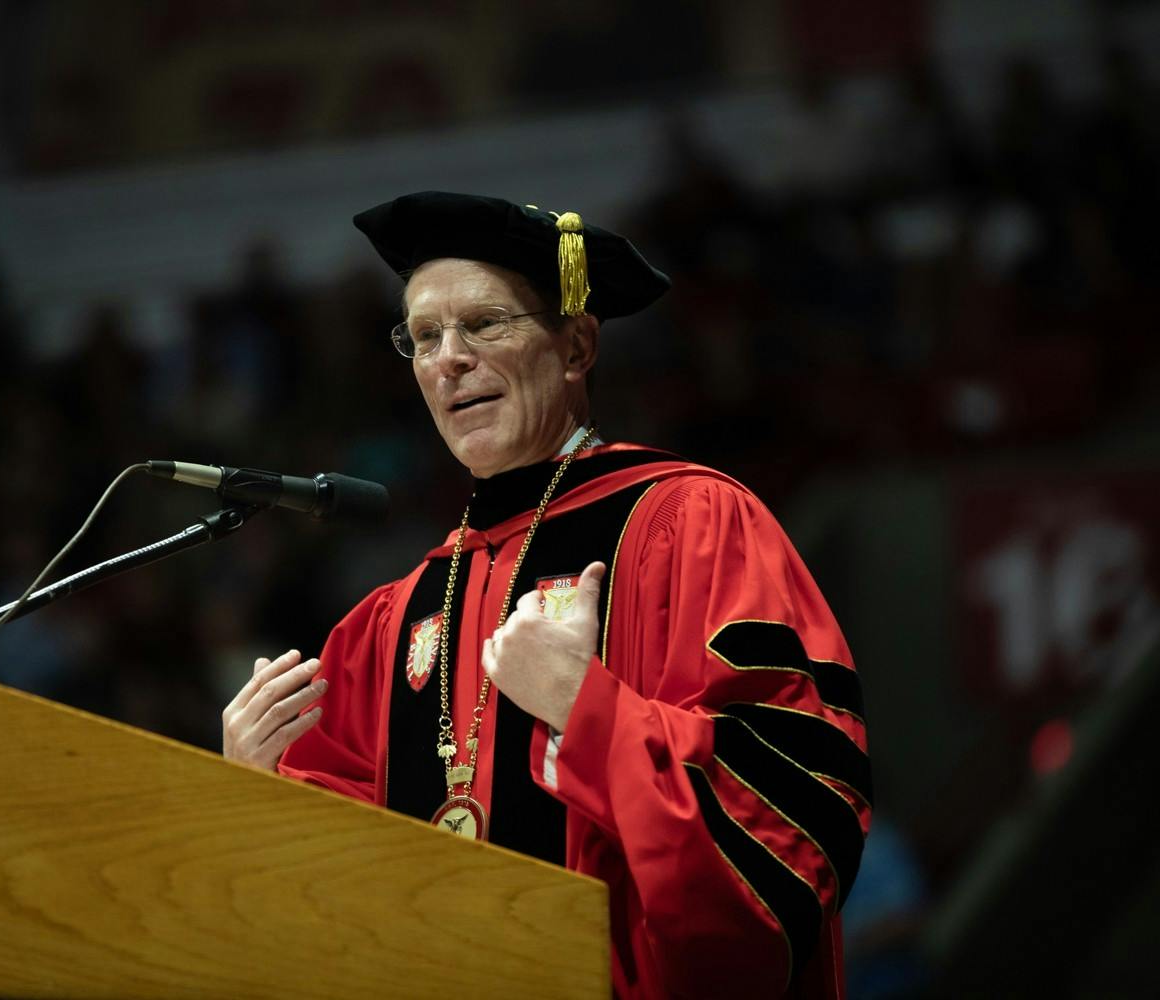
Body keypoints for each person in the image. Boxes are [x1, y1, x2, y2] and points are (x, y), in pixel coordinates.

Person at [222, 192, 870, 999]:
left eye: (485, 324)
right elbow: (346, 899)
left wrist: (585, 706)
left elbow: (788, 807)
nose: (449, 359)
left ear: (576, 346)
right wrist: (257, 791)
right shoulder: (392, 620)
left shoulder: (688, 522)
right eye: (424, 337)